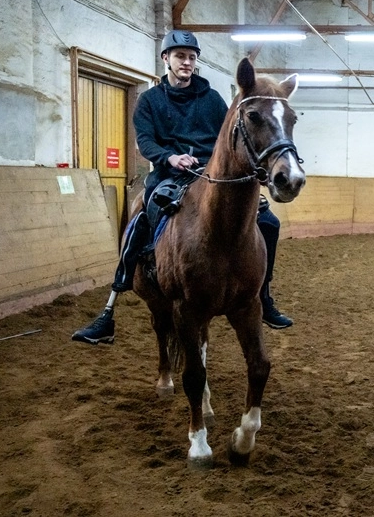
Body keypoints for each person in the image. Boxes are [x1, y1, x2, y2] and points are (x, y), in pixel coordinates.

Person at [71, 30, 292, 345]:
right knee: (142, 215)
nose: (186, 62)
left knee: (269, 221)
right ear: (166, 59)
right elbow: (144, 141)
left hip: (211, 173)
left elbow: (229, 136)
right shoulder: (150, 100)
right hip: (169, 174)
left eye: (191, 57)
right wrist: (170, 156)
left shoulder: (212, 99)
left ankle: (264, 297)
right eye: (180, 57)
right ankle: (113, 302)